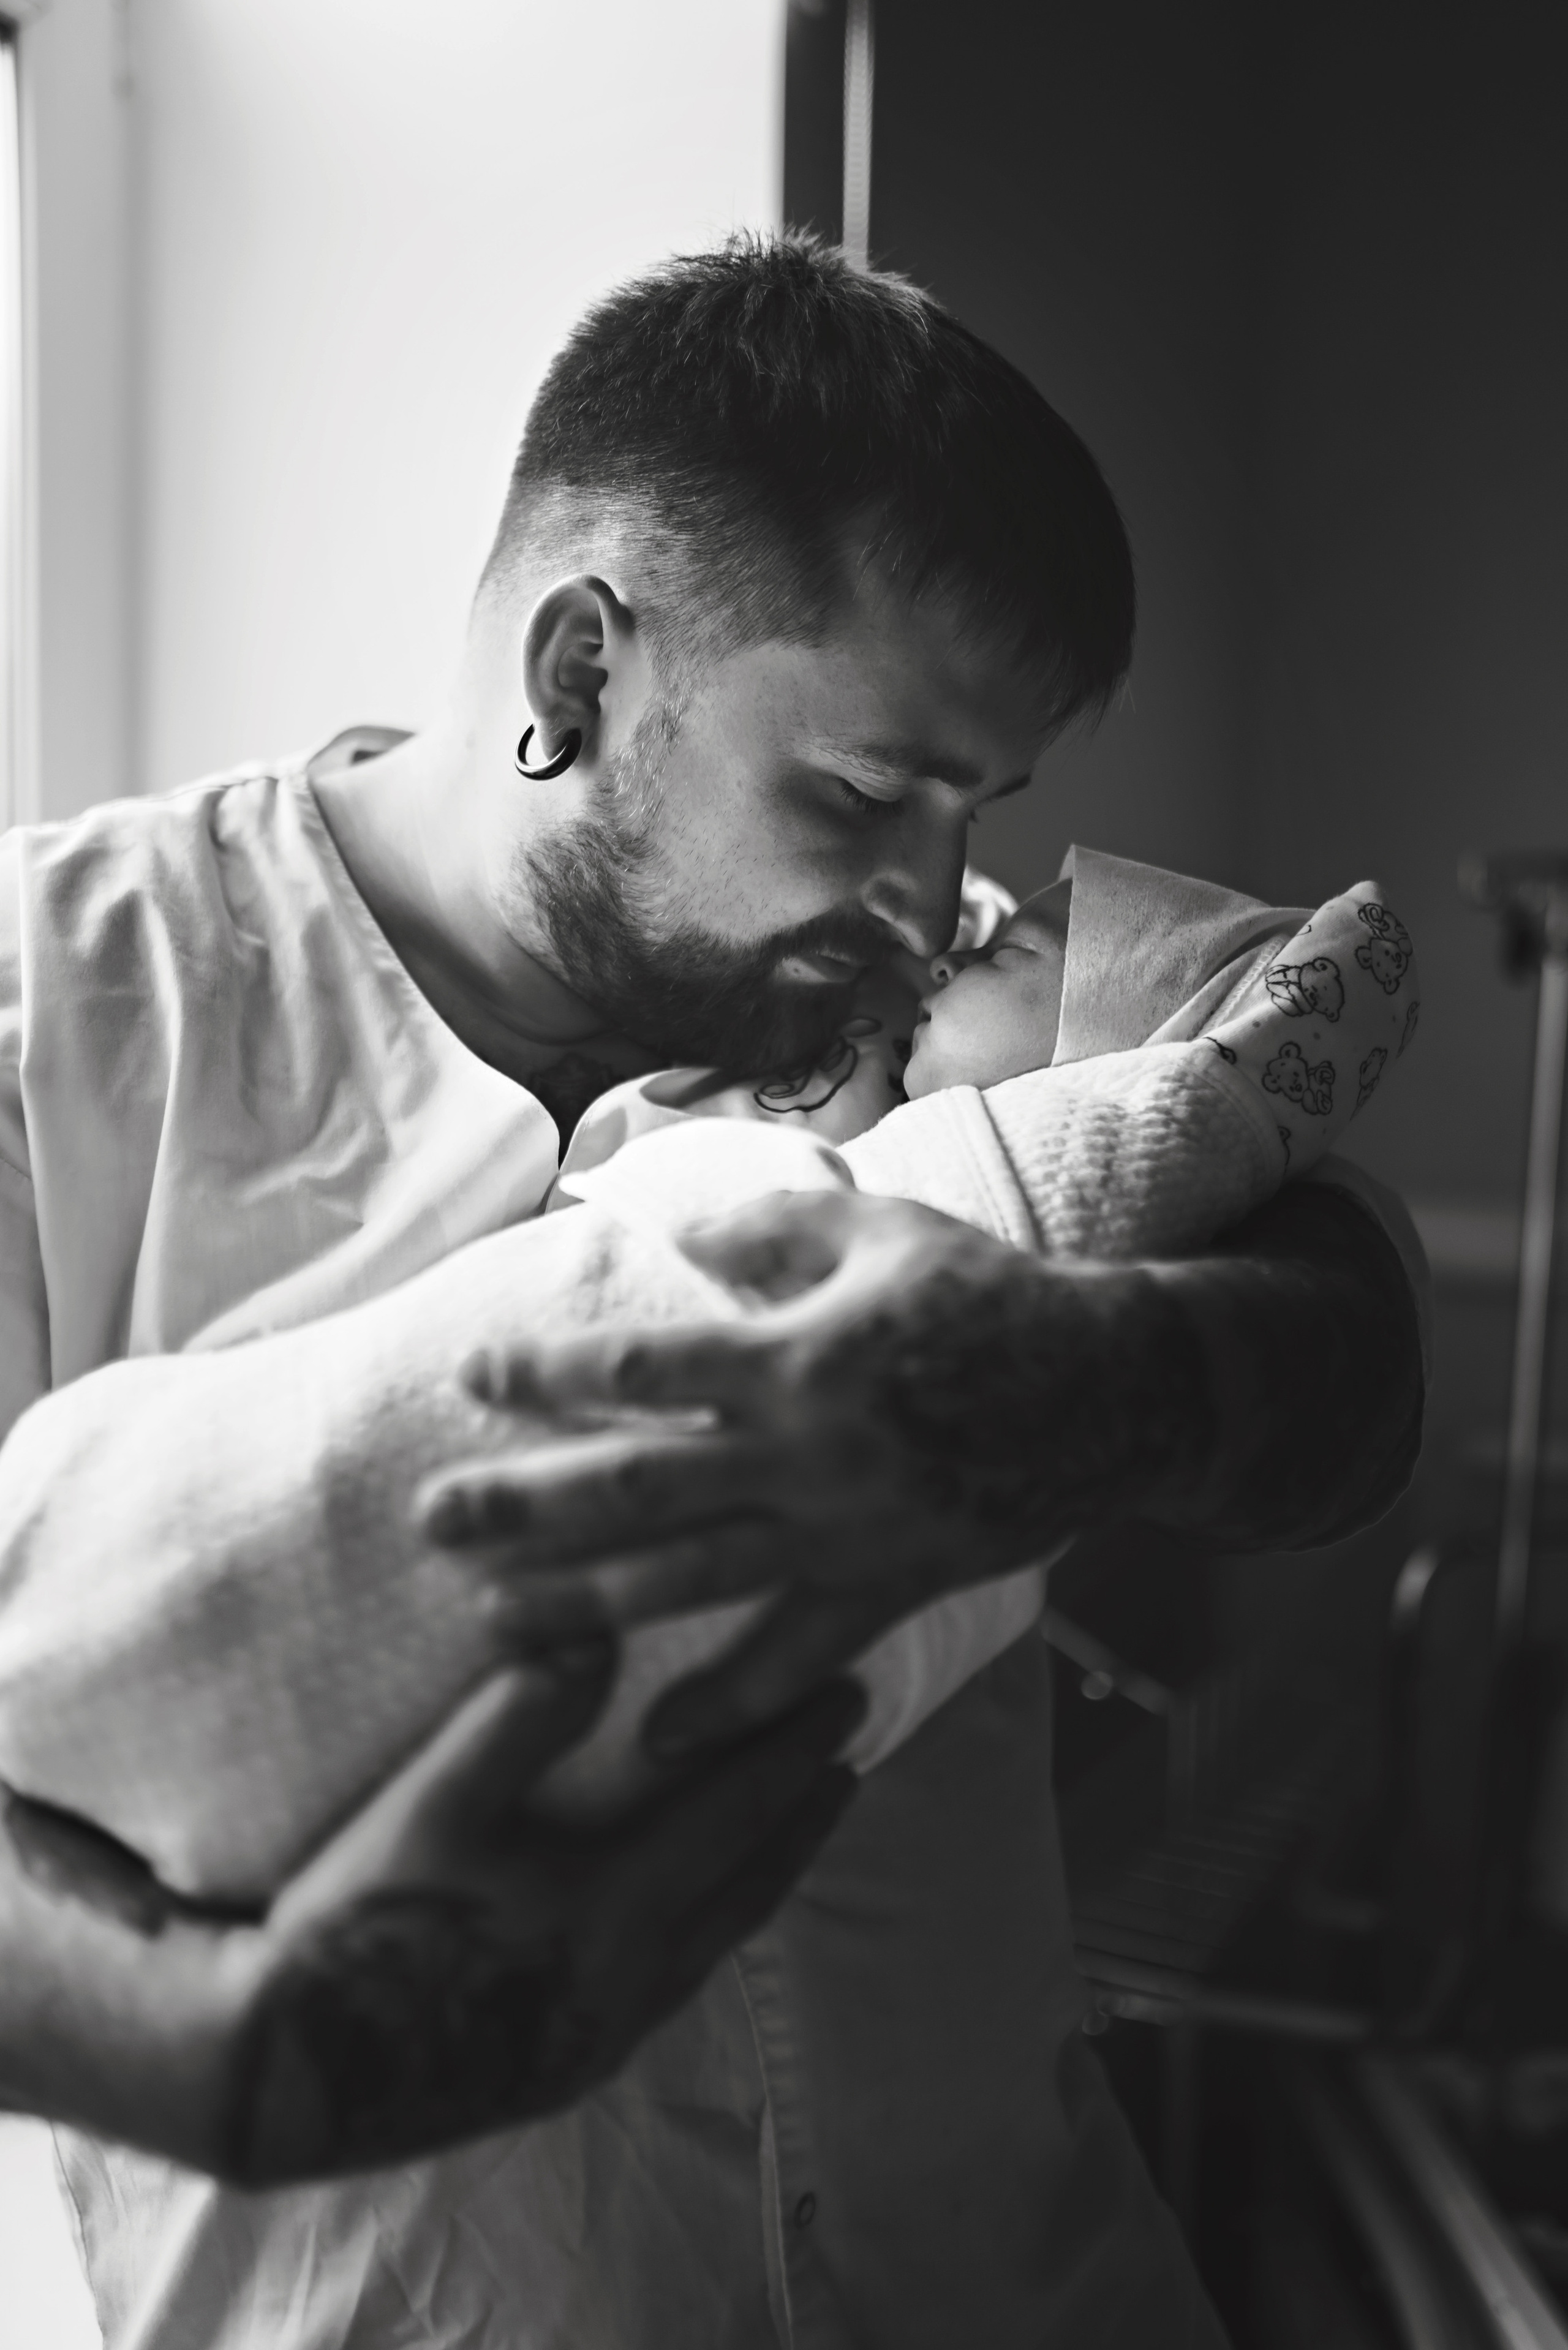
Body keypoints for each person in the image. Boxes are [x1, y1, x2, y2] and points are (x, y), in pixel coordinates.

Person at [0, 235, 1426, 2344]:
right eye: (863, 794)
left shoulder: (916, 1020)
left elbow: (1357, 1359)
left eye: (981, 812)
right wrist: (189, 2045)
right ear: (579, 674)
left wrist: (1091, 1378)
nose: (940, 899)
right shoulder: (65, 1019)